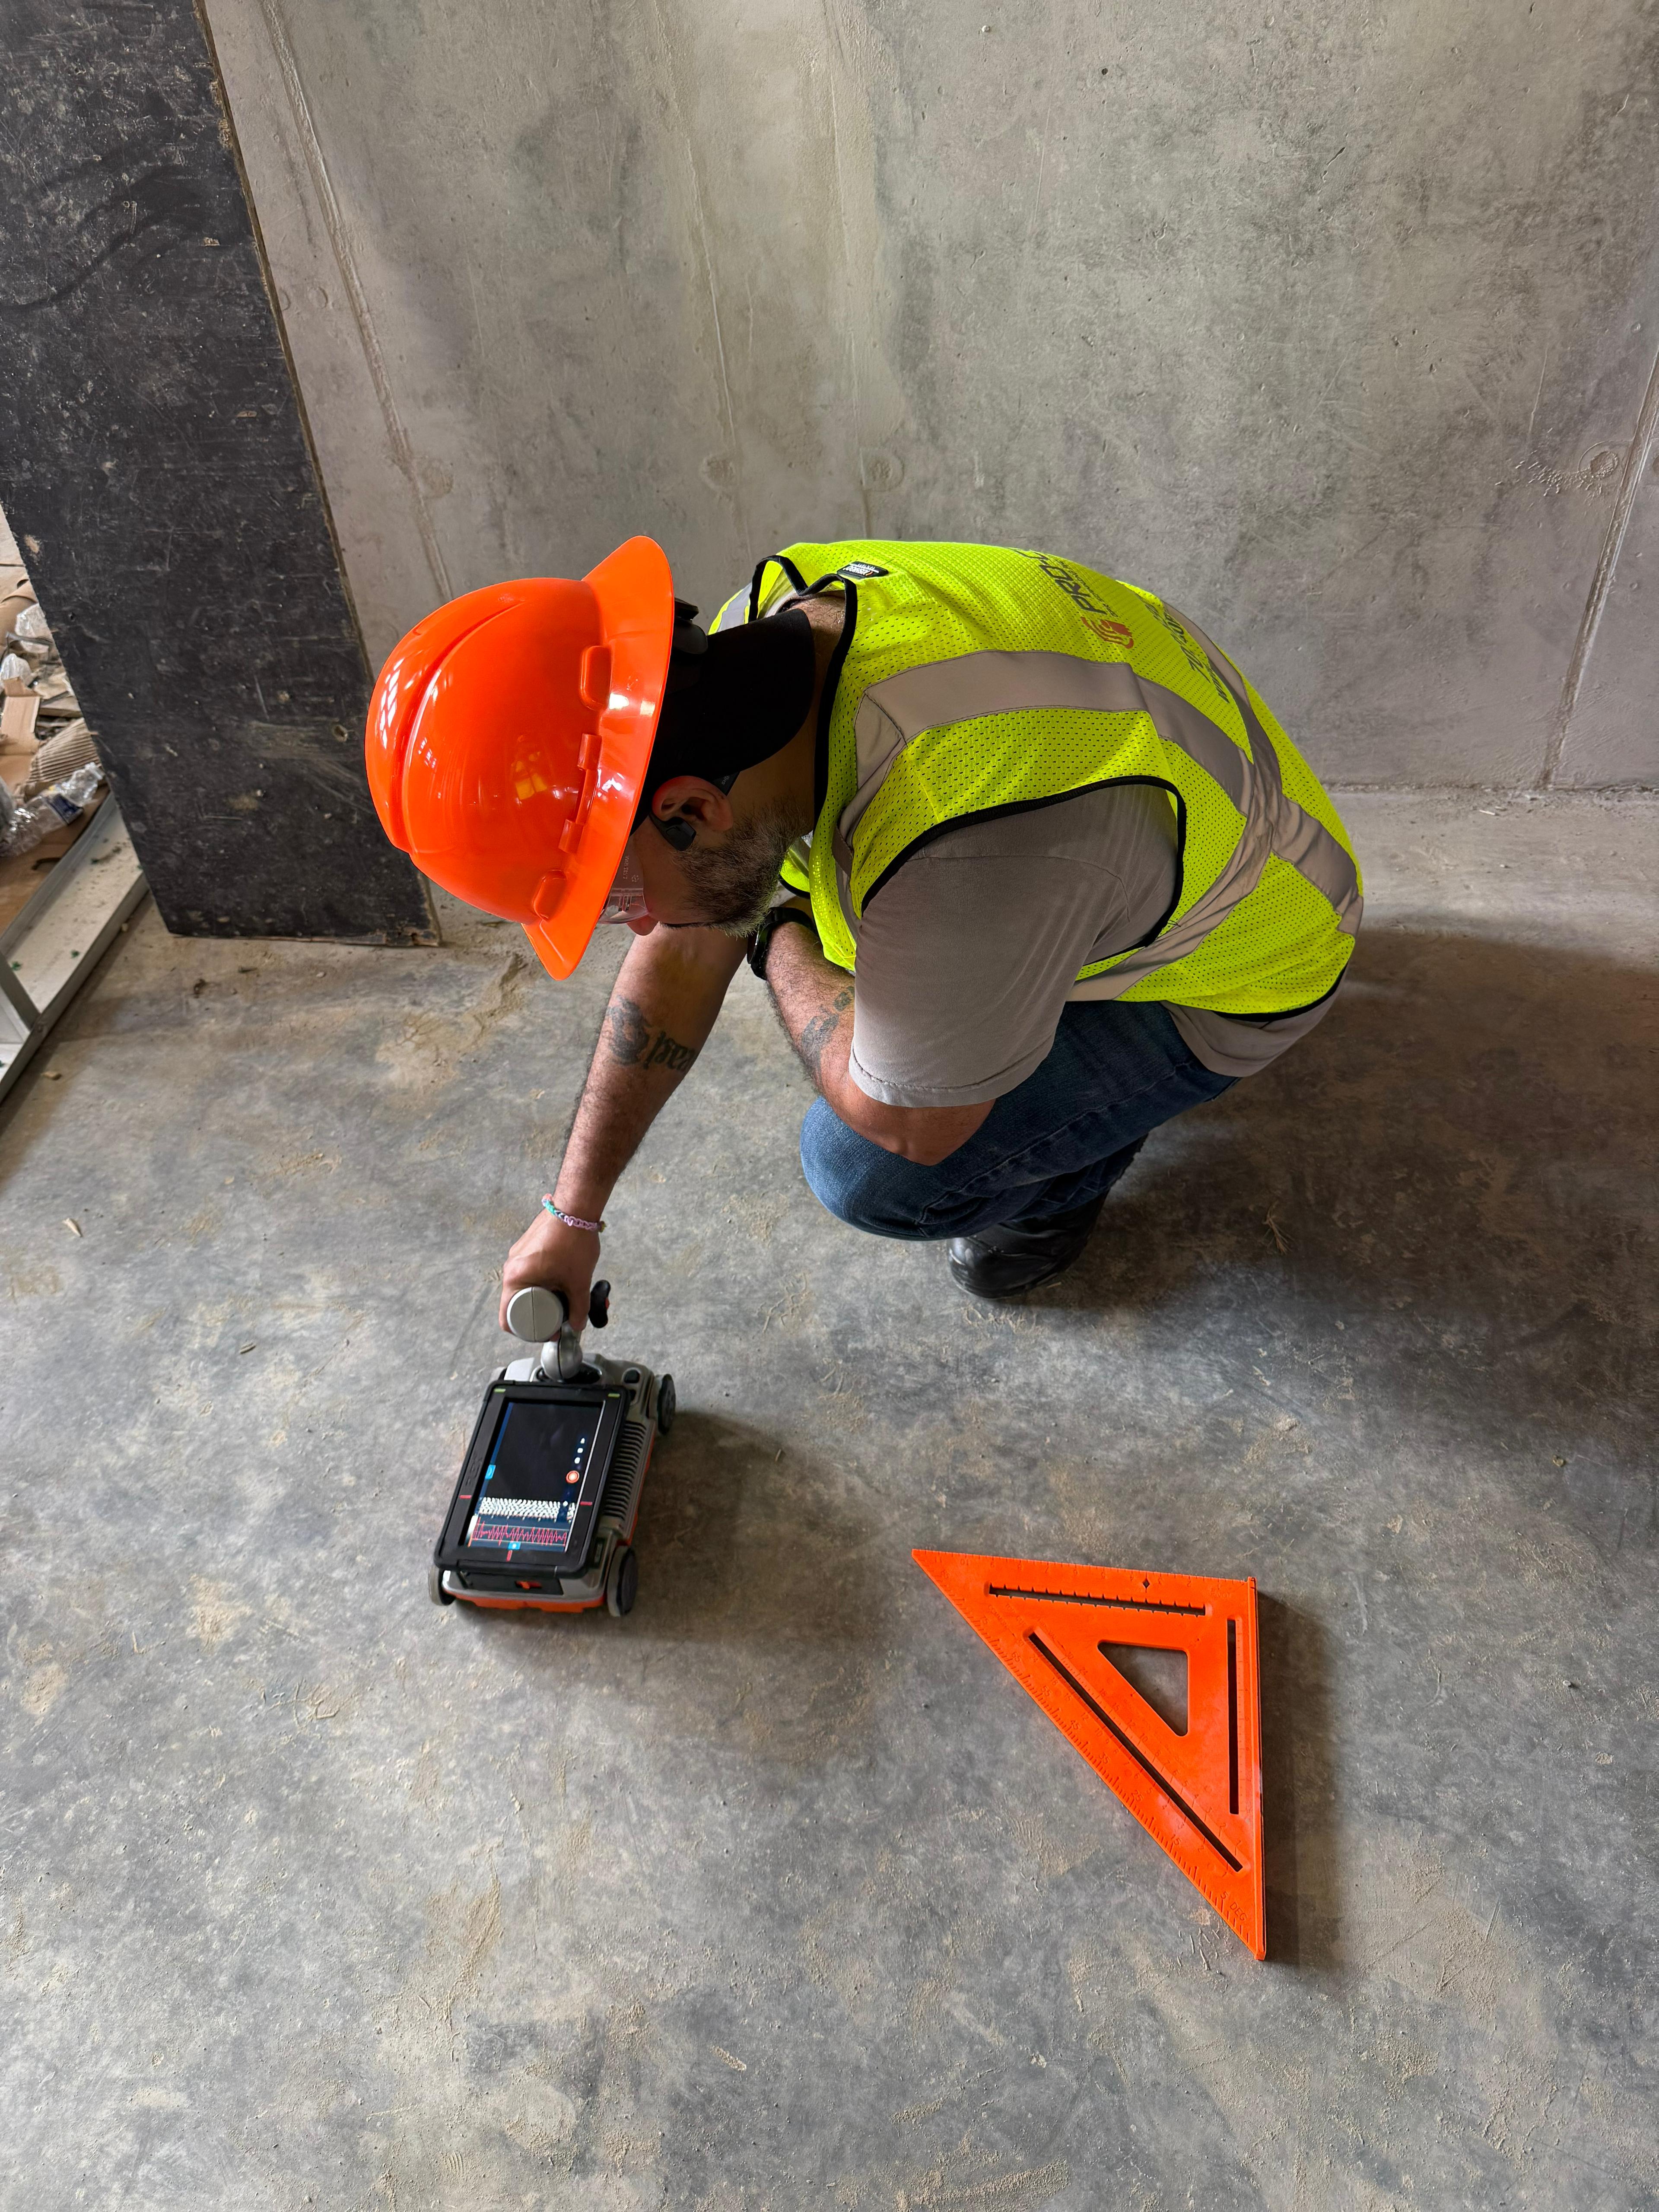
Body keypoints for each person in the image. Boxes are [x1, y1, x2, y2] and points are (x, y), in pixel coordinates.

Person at [366, 535, 1361, 1319]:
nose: (631, 922)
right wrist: (570, 1214)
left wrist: (771, 931)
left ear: (690, 807)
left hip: (1252, 952)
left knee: (870, 1169)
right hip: (1202, 767)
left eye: (617, 890)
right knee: (786, 923)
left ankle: (1075, 1172)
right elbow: (684, 941)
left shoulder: (968, 840)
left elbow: (911, 1123)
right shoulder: (753, 645)